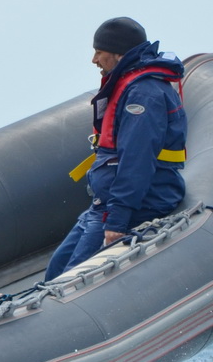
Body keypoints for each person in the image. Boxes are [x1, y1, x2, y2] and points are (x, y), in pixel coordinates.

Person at [45, 17, 188, 280]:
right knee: (55, 270)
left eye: (99, 52)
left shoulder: (143, 95)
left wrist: (118, 220)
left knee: (70, 281)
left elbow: (137, 160)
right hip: (102, 206)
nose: (94, 60)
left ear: (118, 53)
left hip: (133, 205)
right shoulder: (130, 85)